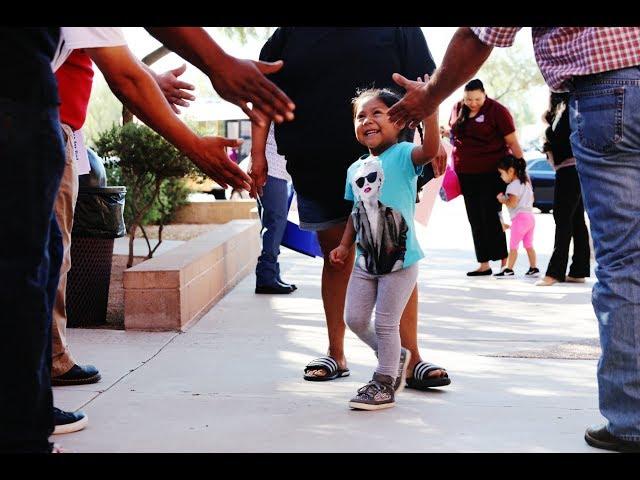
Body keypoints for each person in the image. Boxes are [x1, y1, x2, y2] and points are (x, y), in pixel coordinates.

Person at [387, 26, 640, 453]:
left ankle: (632, 420)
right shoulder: (465, 118)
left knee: (625, 261)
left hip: (609, 89)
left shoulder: (497, 112)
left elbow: (479, 35)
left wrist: (430, 95)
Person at [251, 27, 451, 390]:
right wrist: (257, 153)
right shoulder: (290, 33)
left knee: (396, 254)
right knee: (337, 257)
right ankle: (336, 353)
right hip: (316, 163)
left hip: (391, 163)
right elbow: (263, 94)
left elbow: (427, 84)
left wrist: (433, 139)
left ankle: (412, 358)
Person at [330, 86, 440, 410]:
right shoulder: (355, 169)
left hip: (400, 260)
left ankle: (384, 382)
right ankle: (396, 356)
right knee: (354, 318)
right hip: (365, 262)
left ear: (399, 121)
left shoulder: (405, 155)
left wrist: (431, 110)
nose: (368, 120)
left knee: (386, 323)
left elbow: (431, 149)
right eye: (360, 115)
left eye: (377, 113)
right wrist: (344, 245)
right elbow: (356, 212)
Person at [0, 27, 66, 454]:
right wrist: (218, 63)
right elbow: (123, 71)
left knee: (41, 258)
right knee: (22, 276)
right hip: (17, 105)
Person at [448, 79, 525, 277]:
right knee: (475, 218)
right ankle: (483, 264)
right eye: (468, 99)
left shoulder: (497, 111)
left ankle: (503, 263)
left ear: (484, 94)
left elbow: (512, 141)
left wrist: (521, 168)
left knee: (491, 216)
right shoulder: (457, 108)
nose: (472, 103)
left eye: (477, 99)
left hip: (492, 173)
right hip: (466, 174)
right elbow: (454, 134)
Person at [535, 92, 590, 287]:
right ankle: (578, 270)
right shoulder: (565, 108)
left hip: (570, 170)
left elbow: (559, 140)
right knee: (575, 219)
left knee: (562, 217)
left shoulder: (568, 108)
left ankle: (555, 272)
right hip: (571, 169)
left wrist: (547, 137)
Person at [254, 123, 297, 294]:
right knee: (275, 222)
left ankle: (271, 274)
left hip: (276, 170)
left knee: (273, 223)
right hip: (271, 169)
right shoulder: (274, 101)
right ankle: (266, 277)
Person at [494, 155, 540, 278]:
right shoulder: (526, 183)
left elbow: (513, 203)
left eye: (501, 173)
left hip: (519, 218)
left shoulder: (512, 186)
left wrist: (502, 199)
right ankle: (534, 268)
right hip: (530, 216)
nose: (501, 176)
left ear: (511, 171)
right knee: (529, 245)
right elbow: (533, 198)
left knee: (513, 246)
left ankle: (509, 269)